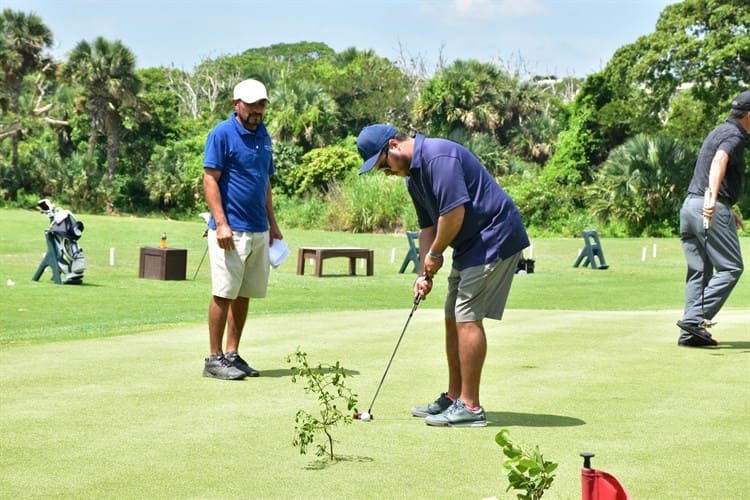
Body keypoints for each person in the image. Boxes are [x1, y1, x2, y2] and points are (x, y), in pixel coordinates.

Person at [357, 124, 529, 427]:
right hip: (470, 242)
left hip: (494, 237)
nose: (385, 173)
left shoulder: (438, 158)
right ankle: (454, 396)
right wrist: (424, 272)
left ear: (394, 146)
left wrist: (435, 255)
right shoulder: (413, 179)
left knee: (467, 315)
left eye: (383, 165)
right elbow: (429, 227)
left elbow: (453, 215)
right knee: (452, 314)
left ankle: (471, 407)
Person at [201, 78, 283, 379]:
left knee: (244, 292)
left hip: (258, 228)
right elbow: (210, 179)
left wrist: (273, 224)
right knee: (224, 292)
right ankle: (213, 358)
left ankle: (232, 355)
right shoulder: (222, 134)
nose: (256, 110)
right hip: (230, 229)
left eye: (261, 104)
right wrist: (221, 224)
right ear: (236, 104)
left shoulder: (264, 135)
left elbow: (265, 183)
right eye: (251, 104)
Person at [677, 90, 748, 347]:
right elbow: (719, 161)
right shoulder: (735, 135)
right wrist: (713, 199)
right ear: (749, 116)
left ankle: (690, 335)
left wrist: (727, 206)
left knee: (700, 271)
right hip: (707, 204)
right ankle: (694, 319)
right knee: (731, 267)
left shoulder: (719, 131)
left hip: (689, 207)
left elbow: (710, 164)